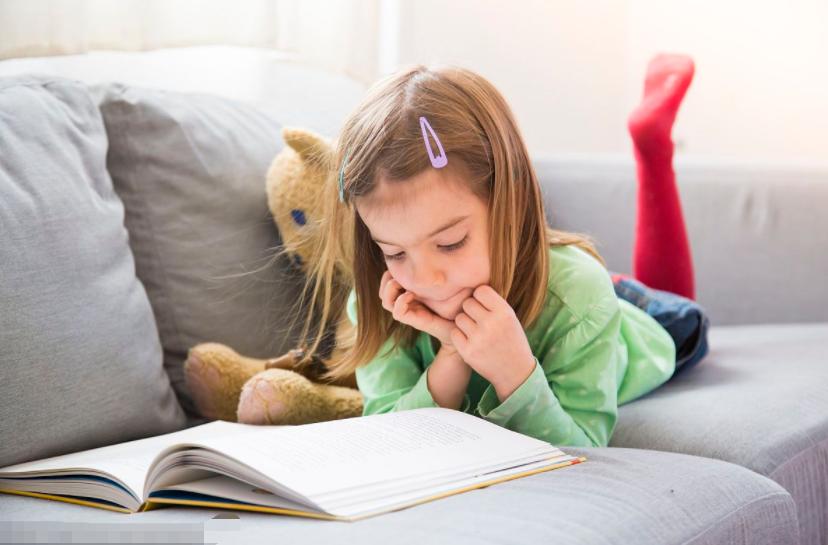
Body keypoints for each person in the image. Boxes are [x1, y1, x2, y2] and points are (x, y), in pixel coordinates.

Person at [292, 56, 709, 448]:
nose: (426, 279)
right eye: (395, 253)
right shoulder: (377, 302)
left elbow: (582, 450)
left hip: (633, 321)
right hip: (554, 280)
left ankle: (654, 154)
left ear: (509, 204)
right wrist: (453, 354)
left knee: (681, 310)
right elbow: (392, 436)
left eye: (450, 243)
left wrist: (514, 371)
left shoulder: (581, 296)